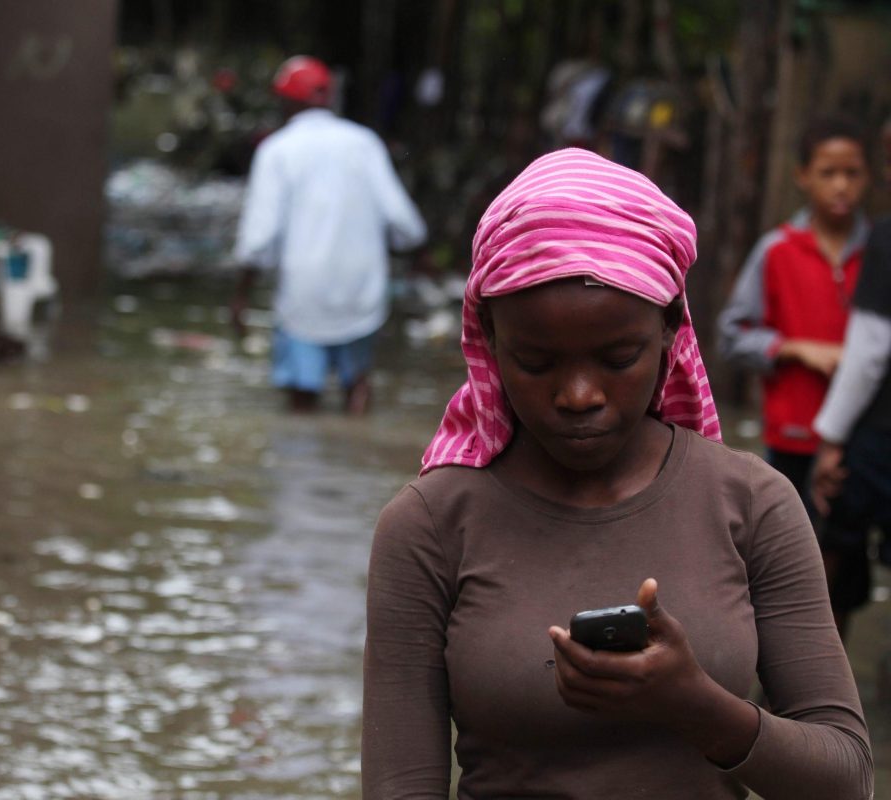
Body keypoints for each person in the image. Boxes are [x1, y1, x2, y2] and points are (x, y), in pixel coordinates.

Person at [363, 149, 871, 798]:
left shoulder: (753, 504)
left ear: (669, 329)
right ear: (488, 339)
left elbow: (848, 777)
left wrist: (697, 706)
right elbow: (400, 785)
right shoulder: (428, 525)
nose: (579, 395)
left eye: (617, 357)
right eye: (538, 362)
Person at [231, 55, 427, 414]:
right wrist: (413, 258)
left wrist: (241, 294)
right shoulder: (364, 143)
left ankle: (304, 464)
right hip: (362, 289)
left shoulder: (277, 150)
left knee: (302, 395)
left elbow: (259, 237)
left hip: (304, 292)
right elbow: (405, 224)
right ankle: (358, 453)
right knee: (358, 383)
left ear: (286, 100)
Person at [717, 115, 870, 505]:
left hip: (865, 430)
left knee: (847, 550)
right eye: (828, 172)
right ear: (803, 175)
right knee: (787, 540)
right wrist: (794, 348)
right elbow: (731, 334)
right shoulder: (776, 250)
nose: (841, 185)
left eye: (852, 173)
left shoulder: (879, 253)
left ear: (868, 177)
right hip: (793, 432)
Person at [811, 120, 891, 639]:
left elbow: (869, 351)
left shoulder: (885, 236)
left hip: (880, 438)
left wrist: (831, 439)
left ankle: (816, 672)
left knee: (833, 540)